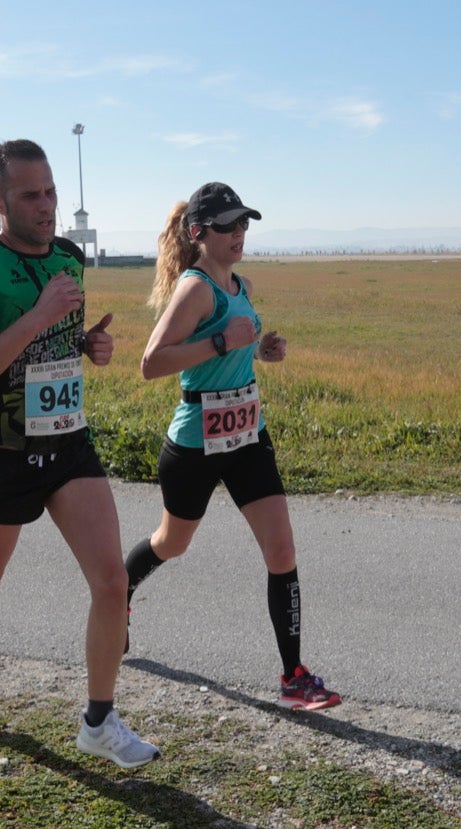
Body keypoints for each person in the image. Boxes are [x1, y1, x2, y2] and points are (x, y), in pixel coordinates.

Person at [0, 138, 156, 769]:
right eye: (32, 195)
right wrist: (39, 315)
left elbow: (53, 338)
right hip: (3, 448)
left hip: (68, 442)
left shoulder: (69, 259)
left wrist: (86, 343)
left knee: (111, 581)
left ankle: (99, 721)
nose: (47, 205)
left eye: (51, 191)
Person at [122, 182, 340, 712]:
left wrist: (262, 350)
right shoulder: (195, 288)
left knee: (282, 551)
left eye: (245, 224)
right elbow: (152, 363)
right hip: (197, 440)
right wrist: (223, 340)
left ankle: (294, 675)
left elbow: (237, 349)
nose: (240, 233)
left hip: (246, 436)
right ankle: (119, 592)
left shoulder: (239, 284)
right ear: (200, 234)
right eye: (229, 225)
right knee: (172, 543)